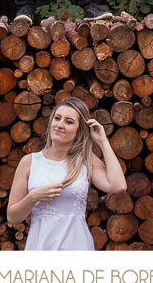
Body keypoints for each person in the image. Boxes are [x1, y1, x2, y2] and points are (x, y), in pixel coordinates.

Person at [7, 96, 127, 251]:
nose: (59, 125)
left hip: (77, 248)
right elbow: (12, 217)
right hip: (41, 247)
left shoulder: (86, 160)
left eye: (69, 121)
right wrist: (33, 197)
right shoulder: (29, 162)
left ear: (79, 132)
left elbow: (118, 186)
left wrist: (103, 141)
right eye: (57, 118)